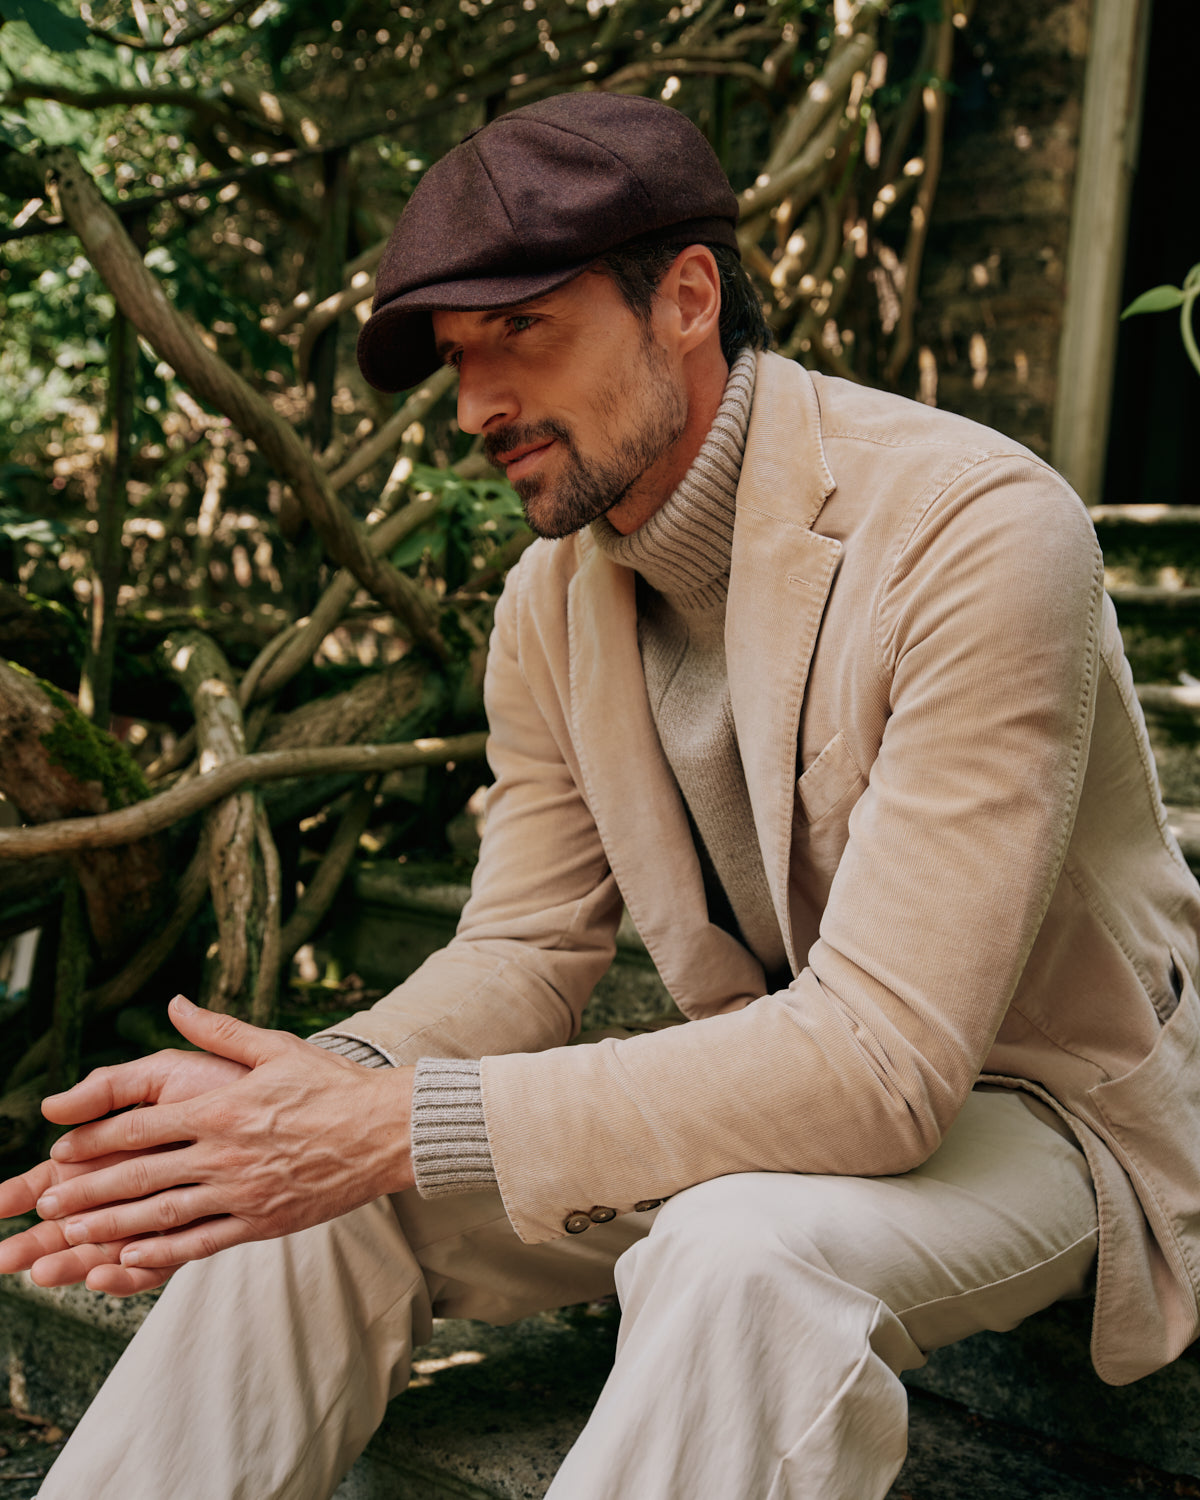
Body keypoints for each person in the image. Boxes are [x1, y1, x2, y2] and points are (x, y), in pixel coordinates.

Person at [3, 91, 1200, 1500]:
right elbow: (520, 953)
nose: (475, 407)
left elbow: (884, 1066)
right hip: (773, 1088)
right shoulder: (549, 603)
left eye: (520, 330)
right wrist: (315, 1092)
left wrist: (387, 1124)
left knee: (738, 1255)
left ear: (686, 299)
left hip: (1047, 1108)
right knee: (312, 1201)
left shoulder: (977, 532)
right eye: (457, 356)